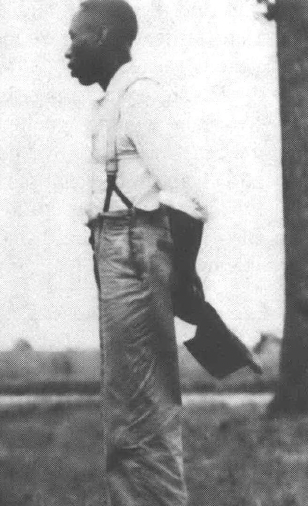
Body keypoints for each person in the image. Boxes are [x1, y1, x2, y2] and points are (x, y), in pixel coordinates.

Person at [65, 1, 213, 504]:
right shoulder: (108, 103)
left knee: (145, 414)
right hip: (116, 248)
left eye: (76, 38)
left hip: (136, 247)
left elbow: (186, 200)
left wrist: (179, 275)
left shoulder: (141, 97)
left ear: (105, 35)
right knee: (125, 418)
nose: (68, 51)